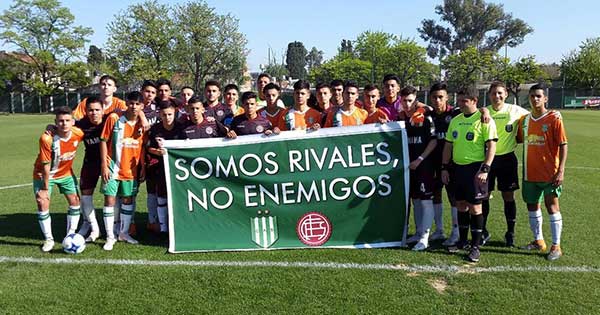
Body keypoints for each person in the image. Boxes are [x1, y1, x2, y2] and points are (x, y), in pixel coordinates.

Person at [441, 86, 497, 262]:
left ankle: (476, 246)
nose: (460, 104)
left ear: (474, 101)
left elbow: (491, 146)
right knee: (461, 205)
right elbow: (448, 145)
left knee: (475, 208)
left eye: (464, 101)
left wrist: (485, 169)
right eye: (458, 100)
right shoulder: (455, 120)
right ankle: (462, 242)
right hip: (458, 169)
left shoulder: (484, 120)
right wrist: (444, 167)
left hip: (476, 170)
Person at [517, 83, 568, 261]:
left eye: (539, 96)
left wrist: (560, 171)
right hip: (530, 173)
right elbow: (516, 138)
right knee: (532, 206)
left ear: (545, 98)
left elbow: (563, 145)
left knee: (552, 206)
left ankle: (556, 246)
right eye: (532, 96)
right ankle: (539, 241)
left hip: (550, 173)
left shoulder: (554, 118)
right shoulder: (525, 120)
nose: (535, 99)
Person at [481, 81, 530, 247]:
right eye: (494, 93)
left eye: (500, 93)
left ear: (506, 94)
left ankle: (510, 232)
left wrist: (554, 114)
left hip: (507, 159)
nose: (497, 96)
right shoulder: (484, 111)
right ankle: (483, 231)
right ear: (489, 95)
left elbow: (534, 117)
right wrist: (484, 110)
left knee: (508, 196)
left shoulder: (515, 110)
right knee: (483, 196)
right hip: (487, 159)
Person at [99, 91, 147, 251]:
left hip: (131, 170)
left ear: (142, 106)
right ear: (126, 103)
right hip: (112, 168)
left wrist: (143, 167)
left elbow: (143, 148)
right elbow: (103, 141)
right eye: (131, 103)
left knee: (127, 201)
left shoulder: (142, 125)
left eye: (137, 104)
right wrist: (104, 165)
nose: (134, 106)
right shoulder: (114, 118)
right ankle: (110, 236)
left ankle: (124, 233)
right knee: (109, 200)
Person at [33, 106, 84, 252]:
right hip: (44, 174)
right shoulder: (47, 139)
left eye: (67, 120)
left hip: (66, 173)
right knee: (43, 203)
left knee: (75, 201)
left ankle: (71, 233)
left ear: (73, 122)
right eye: (60, 121)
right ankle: (49, 239)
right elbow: (46, 165)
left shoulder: (78, 133)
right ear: (56, 122)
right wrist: (44, 188)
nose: (64, 124)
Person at [397, 87, 437, 251]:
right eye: (404, 100)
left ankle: (425, 237)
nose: (407, 104)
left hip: (424, 166)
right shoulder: (400, 119)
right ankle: (418, 232)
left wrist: (420, 159)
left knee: (426, 201)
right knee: (416, 201)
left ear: (416, 101)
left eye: (410, 100)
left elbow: (433, 141)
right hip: (409, 167)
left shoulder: (425, 117)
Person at [146, 99, 184, 234]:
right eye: (164, 114)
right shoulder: (155, 129)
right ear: (159, 114)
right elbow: (149, 148)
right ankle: (163, 227)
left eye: (169, 114)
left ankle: (179, 225)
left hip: (179, 168)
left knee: (178, 196)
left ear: (175, 112)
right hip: (161, 167)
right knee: (161, 196)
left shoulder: (181, 128)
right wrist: (159, 153)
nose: (167, 117)